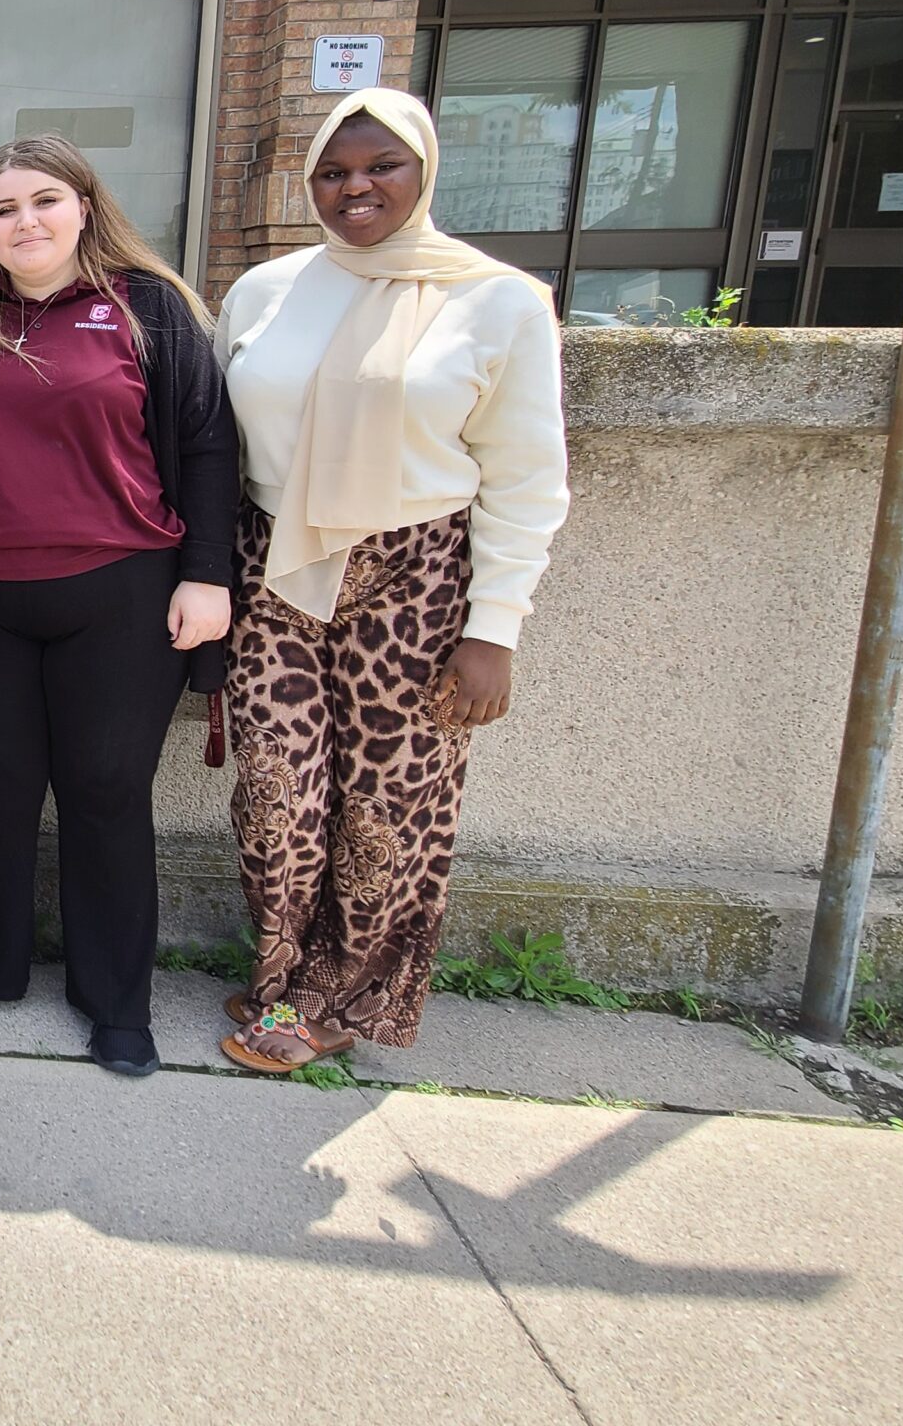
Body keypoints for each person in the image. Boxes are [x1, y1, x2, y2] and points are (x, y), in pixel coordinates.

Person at [214, 87, 567, 1072]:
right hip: (273, 568)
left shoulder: (498, 301)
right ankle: (281, 975)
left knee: (385, 808)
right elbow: (214, 441)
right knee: (275, 791)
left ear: (423, 171)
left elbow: (527, 478)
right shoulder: (265, 292)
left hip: (417, 578)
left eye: (381, 167)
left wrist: (493, 629)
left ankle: (339, 997)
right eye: (333, 171)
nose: (355, 187)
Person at [0, 136, 236, 1079]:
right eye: (4, 209)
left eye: (44, 200)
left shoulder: (149, 309)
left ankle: (116, 1001)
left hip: (123, 593)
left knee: (106, 790)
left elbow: (209, 445)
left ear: (84, 206)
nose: (26, 222)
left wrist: (207, 575)